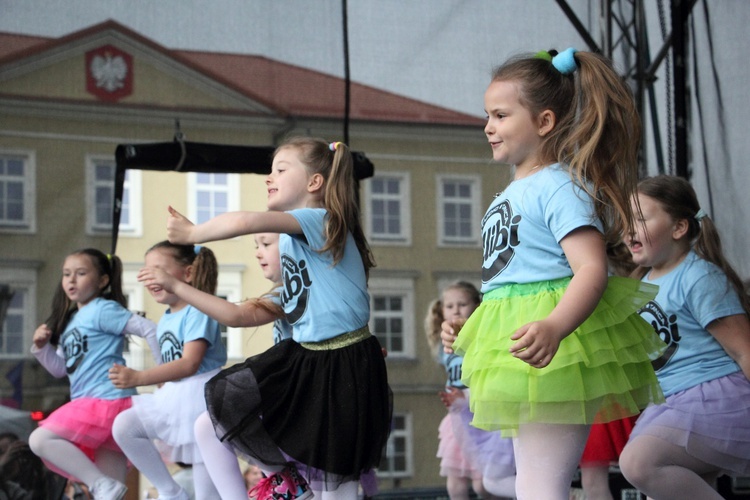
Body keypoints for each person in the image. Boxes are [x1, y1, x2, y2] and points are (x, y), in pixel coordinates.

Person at [440, 48, 666, 500]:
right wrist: (474, 329)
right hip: (526, 344)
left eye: (501, 115)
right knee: (532, 484)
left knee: (541, 486)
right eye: (488, 115)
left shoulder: (560, 186)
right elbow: (511, 279)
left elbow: (591, 268)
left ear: (544, 122)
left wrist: (555, 326)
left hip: (556, 348)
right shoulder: (518, 189)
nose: (488, 126)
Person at [164, 137, 392, 500]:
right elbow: (243, 312)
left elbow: (244, 219)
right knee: (227, 413)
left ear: (314, 183)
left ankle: (292, 480)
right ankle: (285, 478)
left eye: (281, 170)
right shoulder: (293, 239)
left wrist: (193, 234)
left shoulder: (320, 220)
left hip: (342, 360)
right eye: (270, 171)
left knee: (335, 489)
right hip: (309, 356)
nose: (269, 178)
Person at [618, 175, 750, 499]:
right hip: (670, 401)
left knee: (638, 463)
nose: (629, 230)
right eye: (626, 221)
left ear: (679, 228)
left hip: (713, 399)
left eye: (640, 218)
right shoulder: (639, 284)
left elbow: (744, 351)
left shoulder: (698, 276)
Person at [27, 248, 160, 500]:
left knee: (40, 440)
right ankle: (102, 485)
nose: (71, 280)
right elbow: (60, 369)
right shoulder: (73, 320)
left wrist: (163, 373)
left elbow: (149, 329)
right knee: (110, 494)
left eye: (80, 273)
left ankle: (100, 483)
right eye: (66, 274)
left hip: (104, 400)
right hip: (96, 405)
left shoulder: (102, 309)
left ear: (102, 281)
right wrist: (41, 349)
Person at [109, 242, 226, 500]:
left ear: (188, 274)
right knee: (124, 426)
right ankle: (170, 490)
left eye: (158, 271)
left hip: (202, 397)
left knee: (209, 488)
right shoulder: (167, 317)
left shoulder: (200, 309)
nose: (150, 278)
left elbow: (189, 363)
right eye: (146, 271)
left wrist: (140, 377)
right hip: (176, 395)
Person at [425, 281, 514, 499]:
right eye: (449, 306)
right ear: (441, 310)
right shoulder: (442, 347)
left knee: (483, 484)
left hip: (483, 414)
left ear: (476, 305)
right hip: (457, 418)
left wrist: (465, 395)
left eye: (462, 304)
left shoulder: (482, 338)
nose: (455, 309)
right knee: (455, 484)